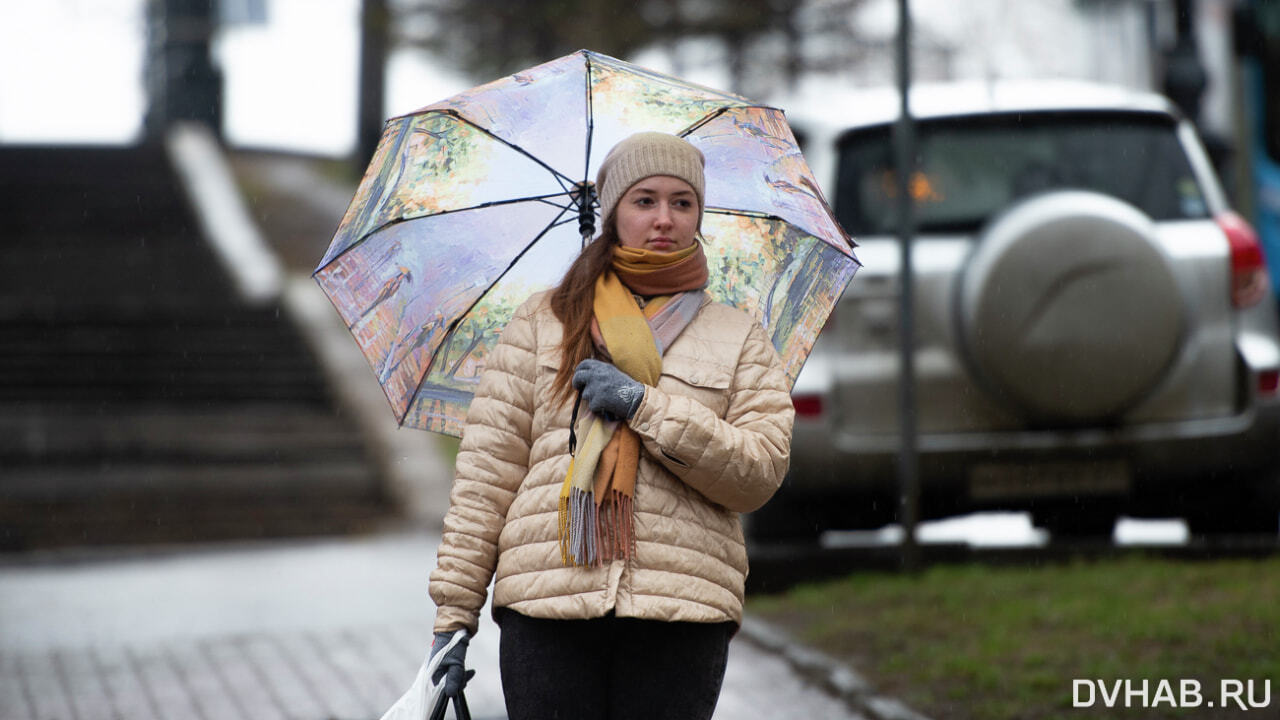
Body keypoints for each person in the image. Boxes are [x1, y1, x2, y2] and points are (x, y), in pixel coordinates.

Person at [426, 131, 795, 720]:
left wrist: (642, 405)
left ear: (699, 213)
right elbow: (486, 479)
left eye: (682, 202)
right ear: (612, 211)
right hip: (547, 604)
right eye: (644, 200)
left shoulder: (738, 333)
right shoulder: (542, 322)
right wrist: (453, 616)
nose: (664, 219)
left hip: (681, 611)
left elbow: (757, 473)